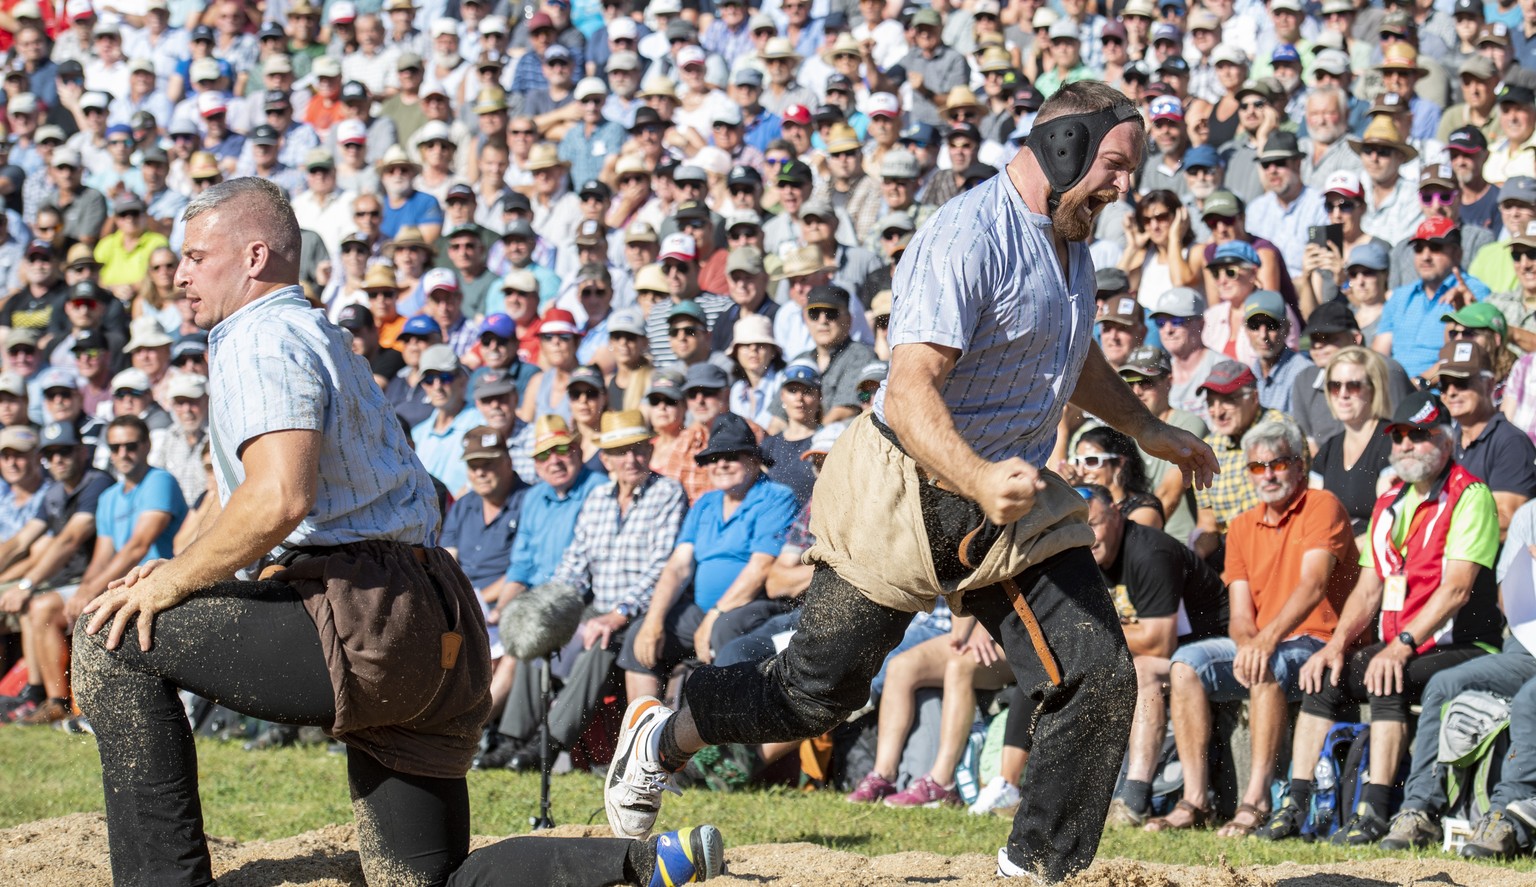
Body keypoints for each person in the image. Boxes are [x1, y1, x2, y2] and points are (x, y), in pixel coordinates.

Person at [602, 82, 1217, 884]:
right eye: (1115, 165)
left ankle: (1036, 870)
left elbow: (1071, 353)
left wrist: (1147, 428)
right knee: (815, 693)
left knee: (1097, 675)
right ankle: (662, 731)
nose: (1125, 186)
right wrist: (976, 476)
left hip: (1007, 498)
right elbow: (910, 388)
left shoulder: (1072, 237)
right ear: (1066, 145)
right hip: (905, 487)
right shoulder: (968, 234)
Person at [71, 178, 724, 887]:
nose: (180, 271)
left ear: (254, 256)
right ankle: (640, 862)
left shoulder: (257, 335)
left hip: (363, 615)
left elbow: (277, 498)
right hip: (431, 622)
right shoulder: (318, 331)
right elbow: (248, 502)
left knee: (111, 645)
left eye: (196, 255)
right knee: (425, 880)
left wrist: (169, 578)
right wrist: (169, 570)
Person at [1258, 390, 1502, 845]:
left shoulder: (1470, 495)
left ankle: (1373, 808)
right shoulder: (1391, 502)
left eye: (1420, 435)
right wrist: (1333, 645)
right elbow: (1368, 588)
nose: (1406, 444)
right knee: (1324, 674)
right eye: (1400, 436)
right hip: (1404, 643)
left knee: (1385, 672)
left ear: (1446, 442)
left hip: (1463, 644)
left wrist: (1399, 645)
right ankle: (1296, 802)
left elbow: (1456, 590)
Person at [1151, 418, 1358, 837]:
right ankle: (1194, 799)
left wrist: (1263, 643)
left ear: (1300, 466)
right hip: (1268, 643)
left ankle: (1256, 799)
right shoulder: (1242, 525)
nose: (1267, 475)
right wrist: (1250, 643)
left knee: (1267, 664)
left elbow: (1314, 585)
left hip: (1317, 642)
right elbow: (1241, 612)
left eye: (1277, 464)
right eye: (1256, 467)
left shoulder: (1323, 506)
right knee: (1184, 664)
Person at [490, 411, 687, 772]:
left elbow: (662, 567)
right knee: (541, 629)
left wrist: (620, 613)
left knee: (603, 641)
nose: (631, 459)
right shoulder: (597, 498)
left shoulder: (667, 492)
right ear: (607, 458)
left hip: (642, 611)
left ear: (649, 450)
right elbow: (573, 565)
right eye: (621, 451)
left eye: (638, 449)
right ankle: (512, 740)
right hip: (598, 606)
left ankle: (548, 745)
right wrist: (548, 606)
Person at [1091, 482, 1229, 828]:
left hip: (1214, 648)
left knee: (1143, 668)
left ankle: (1134, 796)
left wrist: (1091, 631)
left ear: (1116, 514)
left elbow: (1157, 643)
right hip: (1177, 654)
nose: (1087, 536)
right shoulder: (1086, 555)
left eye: (1093, 524)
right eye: (1079, 527)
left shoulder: (1148, 552)